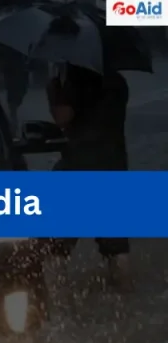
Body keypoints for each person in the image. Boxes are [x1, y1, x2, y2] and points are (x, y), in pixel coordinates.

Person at [46, 64, 133, 292]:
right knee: (116, 245)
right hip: (113, 168)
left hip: (78, 169)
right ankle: (125, 295)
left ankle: (55, 301)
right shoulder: (118, 82)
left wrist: (54, 88)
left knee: (57, 244)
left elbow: (62, 117)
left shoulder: (74, 80)